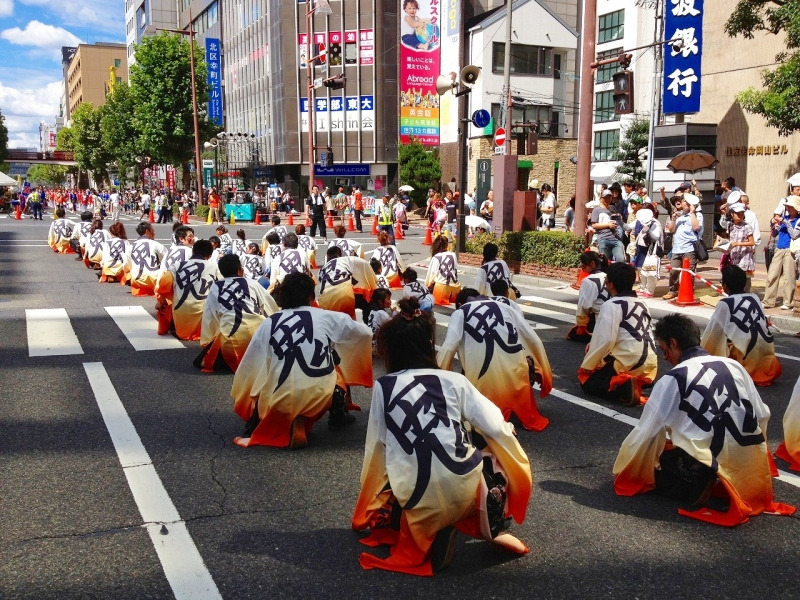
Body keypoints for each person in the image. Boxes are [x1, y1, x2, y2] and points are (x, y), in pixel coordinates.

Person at [352, 297, 532, 575]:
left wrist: (371, 497)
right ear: (429, 346)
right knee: (490, 442)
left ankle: (432, 528)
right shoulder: (454, 381)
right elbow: (495, 426)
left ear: (391, 352)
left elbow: (378, 446)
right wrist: (508, 435)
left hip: (415, 493)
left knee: (398, 478)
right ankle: (492, 519)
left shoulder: (383, 387)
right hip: (464, 486)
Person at [613, 314, 796, 526]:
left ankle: (694, 482)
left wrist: (626, 468)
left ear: (673, 343)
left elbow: (646, 432)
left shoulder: (674, 378)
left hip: (708, 455)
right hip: (748, 459)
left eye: (664, 349)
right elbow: (762, 413)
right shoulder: (733, 366)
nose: (664, 357)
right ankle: (723, 477)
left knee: (657, 463)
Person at [231, 272, 373, 448]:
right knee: (335, 364)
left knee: (265, 370)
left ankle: (269, 420)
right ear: (310, 296)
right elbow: (365, 333)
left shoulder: (269, 322)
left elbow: (250, 365)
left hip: (279, 399)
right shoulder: (327, 316)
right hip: (319, 396)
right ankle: (337, 415)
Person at [439, 288, 553, 431]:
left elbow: (449, 347)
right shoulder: (506, 306)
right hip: (516, 374)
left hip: (484, 382)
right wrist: (542, 369)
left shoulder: (460, 312)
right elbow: (533, 339)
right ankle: (520, 413)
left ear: (460, 303)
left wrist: (438, 379)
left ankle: (494, 423)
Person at [578, 262, 657, 406]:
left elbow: (605, 340)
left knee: (587, 383)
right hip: (650, 365)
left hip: (628, 361)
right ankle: (635, 383)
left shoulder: (611, 305)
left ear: (610, 284)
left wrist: (588, 365)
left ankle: (623, 387)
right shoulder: (643, 303)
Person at [196, 253, 279, 373]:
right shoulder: (252, 283)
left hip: (231, 342)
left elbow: (210, 318)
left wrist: (207, 342)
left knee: (203, 360)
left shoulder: (216, 287)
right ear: (240, 270)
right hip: (260, 338)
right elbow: (270, 307)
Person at [701, 265, 781, 386]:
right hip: (768, 363)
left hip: (745, 361)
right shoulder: (755, 298)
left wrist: (700, 353)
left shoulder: (725, 303)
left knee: (719, 337)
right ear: (744, 284)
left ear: (725, 285)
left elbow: (712, 333)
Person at [155, 239, 220, 340]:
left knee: (166, 306)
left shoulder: (177, 265)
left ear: (193, 251)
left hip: (181, 316)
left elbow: (165, 282)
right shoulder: (213, 266)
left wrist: (162, 301)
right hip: (204, 319)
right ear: (209, 256)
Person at [662, 193, 704, 300]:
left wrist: (692, 213)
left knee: (688, 272)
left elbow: (696, 227)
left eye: (685, 201)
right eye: (683, 201)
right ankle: (673, 290)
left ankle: (688, 291)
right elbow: (671, 230)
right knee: (674, 270)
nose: (683, 203)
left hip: (690, 248)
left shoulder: (698, 215)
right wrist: (673, 219)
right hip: (677, 248)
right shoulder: (679, 216)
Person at [318, 246, 378, 319]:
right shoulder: (347, 259)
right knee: (370, 302)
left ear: (327, 256)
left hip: (324, 303)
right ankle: (371, 326)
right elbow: (365, 264)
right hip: (344, 297)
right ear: (340, 255)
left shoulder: (322, 270)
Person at [763, 195, 800, 309]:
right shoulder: (785, 218)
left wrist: (785, 222)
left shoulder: (798, 220)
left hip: (790, 250)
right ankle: (768, 301)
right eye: (787, 206)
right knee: (772, 274)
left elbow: (794, 235)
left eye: (790, 206)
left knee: (789, 276)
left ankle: (788, 302)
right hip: (779, 248)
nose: (788, 208)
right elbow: (775, 233)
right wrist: (774, 224)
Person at [567, 251, 610, 342]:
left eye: (583, 265)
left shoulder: (588, 281)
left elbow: (584, 305)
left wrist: (580, 324)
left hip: (600, 319)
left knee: (575, 335)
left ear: (592, 263)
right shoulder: (608, 276)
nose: (582, 267)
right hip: (613, 317)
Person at [718, 201, 755, 290]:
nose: (740, 216)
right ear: (732, 214)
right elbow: (722, 224)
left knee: (745, 282)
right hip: (734, 257)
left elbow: (751, 242)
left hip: (744, 258)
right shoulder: (730, 225)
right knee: (735, 281)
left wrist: (738, 244)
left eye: (742, 213)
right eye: (738, 214)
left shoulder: (747, 226)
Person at [125, 221, 166, 296]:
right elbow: (167, 258)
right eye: (152, 230)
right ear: (147, 231)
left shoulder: (131, 246)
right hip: (155, 279)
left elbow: (126, 264)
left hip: (136, 280)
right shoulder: (156, 244)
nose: (154, 233)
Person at [591, 189, 625, 263]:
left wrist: (618, 218)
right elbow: (594, 225)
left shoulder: (612, 208)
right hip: (603, 238)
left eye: (610, 197)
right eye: (606, 197)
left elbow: (617, 221)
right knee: (605, 262)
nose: (608, 199)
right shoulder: (597, 210)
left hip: (616, 238)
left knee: (621, 260)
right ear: (602, 198)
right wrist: (608, 225)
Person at [425, 235, 461, 305]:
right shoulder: (453, 255)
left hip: (442, 291)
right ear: (446, 245)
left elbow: (431, 276)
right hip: (455, 289)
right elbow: (455, 270)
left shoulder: (436, 257)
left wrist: (426, 288)